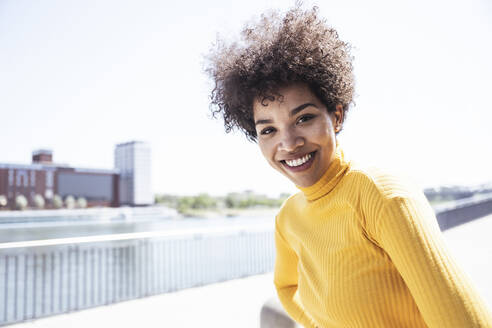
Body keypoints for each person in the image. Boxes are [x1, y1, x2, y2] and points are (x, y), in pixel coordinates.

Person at [205, 5, 492, 328]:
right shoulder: (288, 218)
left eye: (304, 118)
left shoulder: (383, 196)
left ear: (336, 116)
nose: (288, 143)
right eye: (268, 129)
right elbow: (287, 289)